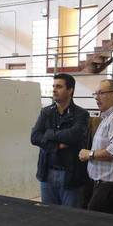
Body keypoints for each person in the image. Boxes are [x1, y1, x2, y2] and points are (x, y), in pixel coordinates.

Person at [30, 73, 89, 207]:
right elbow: (34, 137)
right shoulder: (46, 112)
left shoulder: (81, 114)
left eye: (59, 86)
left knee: (69, 216)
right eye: (53, 86)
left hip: (70, 176)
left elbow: (73, 135)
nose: (54, 90)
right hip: (47, 173)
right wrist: (56, 146)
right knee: (48, 215)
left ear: (70, 90)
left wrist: (49, 133)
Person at [78, 79, 113, 215]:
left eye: (101, 93)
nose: (97, 97)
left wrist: (90, 154)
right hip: (102, 183)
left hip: (110, 185)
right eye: (95, 94)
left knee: (98, 222)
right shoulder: (108, 117)